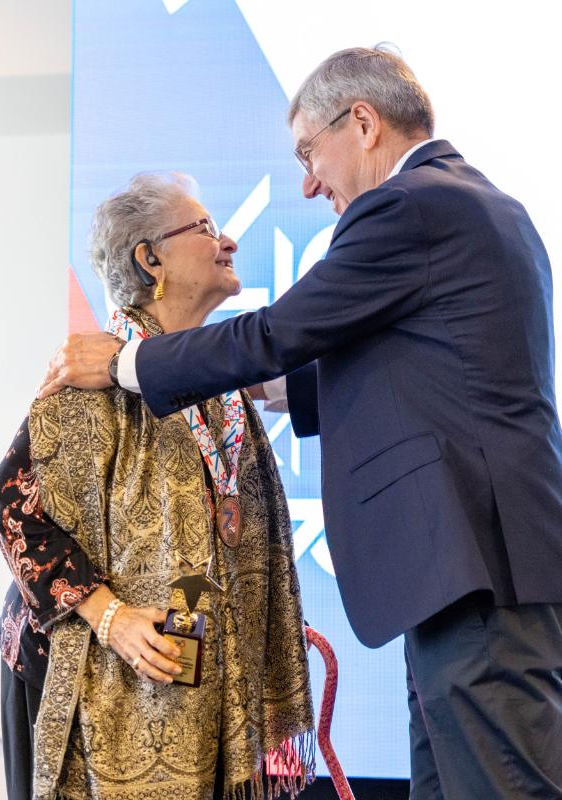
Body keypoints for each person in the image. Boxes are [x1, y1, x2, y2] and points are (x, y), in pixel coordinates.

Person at [39, 47, 562, 798]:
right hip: (474, 570)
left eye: (308, 153)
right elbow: (414, 367)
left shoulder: (409, 204)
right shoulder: (475, 202)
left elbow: (279, 331)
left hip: (476, 572)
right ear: (148, 259)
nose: (309, 183)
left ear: (364, 123)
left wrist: (129, 362)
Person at [0, 172, 315, 800]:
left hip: (192, 684)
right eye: (206, 229)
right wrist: (109, 616)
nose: (228, 242)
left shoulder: (215, 380)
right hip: (88, 678)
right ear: (150, 260)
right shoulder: (93, 374)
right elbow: (16, 507)